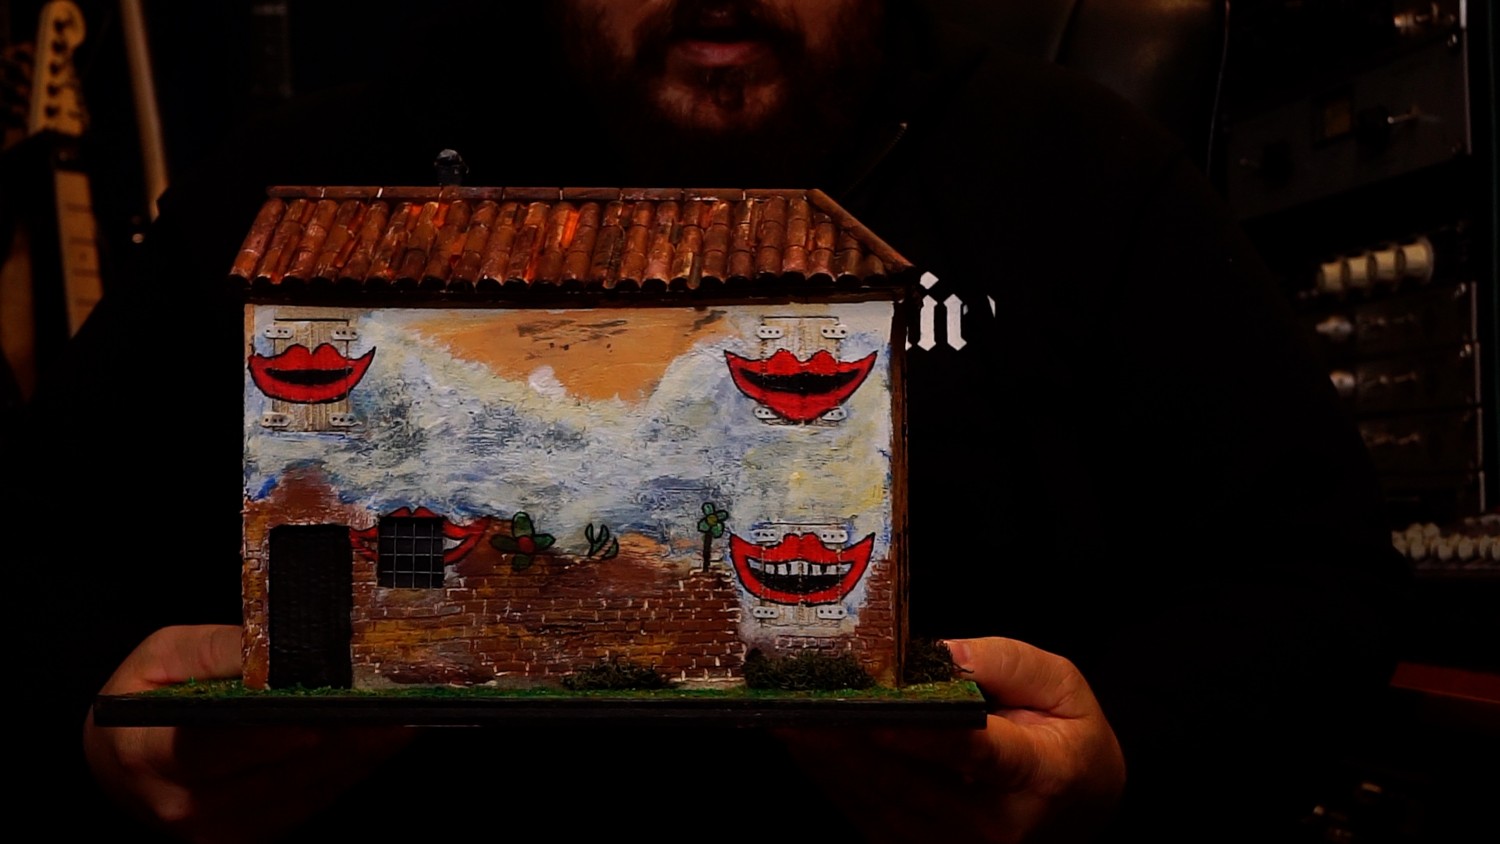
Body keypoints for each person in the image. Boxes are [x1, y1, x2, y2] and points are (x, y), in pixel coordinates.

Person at [37, 1, 1403, 840]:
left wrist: (1121, 757)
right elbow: (37, 552)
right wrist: (104, 731)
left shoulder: (1078, 178)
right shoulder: (294, 186)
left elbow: (1322, 580)